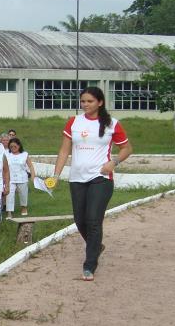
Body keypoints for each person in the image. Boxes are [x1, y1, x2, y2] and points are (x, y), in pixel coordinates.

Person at [51, 86, 133, 281]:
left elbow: (127, 148)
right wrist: (55, 175)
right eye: (83, 101)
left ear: (100, 102)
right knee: (80, 221)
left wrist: (113, 162)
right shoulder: (74, 122)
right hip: (77, 178)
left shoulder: (112, 124)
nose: (85, 104)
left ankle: (89, 265)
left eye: (90, 101)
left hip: (101, 179)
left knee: (93, 220)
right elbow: (64, 151)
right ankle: (96, 246)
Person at [6, 137, 36, 216]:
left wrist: (33, 176)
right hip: (10, 178)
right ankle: (9, 212)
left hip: (22, 178)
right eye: (11, 147)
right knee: (9, 194)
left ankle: (24, 207)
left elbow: (31, 166)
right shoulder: (7, 154)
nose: (13, 148)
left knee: (23, 194)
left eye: (15, 146)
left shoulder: (24, 154)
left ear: (19, 146)